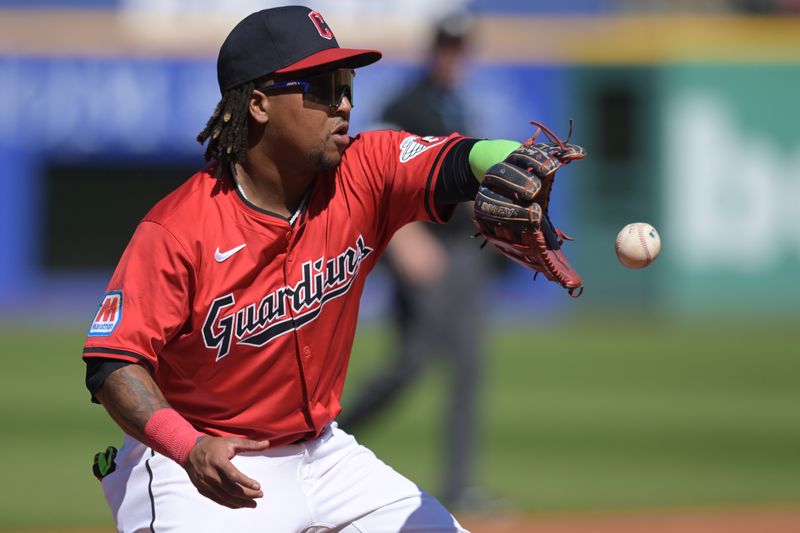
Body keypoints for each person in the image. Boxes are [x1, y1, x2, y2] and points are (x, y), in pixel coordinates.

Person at [82, 6, 522, 532]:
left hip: (326, 456)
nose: (343, 104)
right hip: (202, 463)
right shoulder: (178, 229)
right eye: (321, 86)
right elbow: (112, 364)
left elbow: (457, 158)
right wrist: (188, 446)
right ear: (261, 103)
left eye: (347, 85)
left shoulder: (364, 169)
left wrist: (511, 160)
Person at [338, 12, 488, 508]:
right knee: (410, 365)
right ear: (433, 49)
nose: (453, 56)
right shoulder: (405, 103)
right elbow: (373, 176)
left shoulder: (459, 104)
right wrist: (403, 239)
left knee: (468, 367)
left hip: (463, 253)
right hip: (425, 250)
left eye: (461, 48)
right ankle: (323, 439)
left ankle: (460, 485)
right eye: (447, 46)